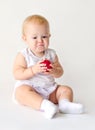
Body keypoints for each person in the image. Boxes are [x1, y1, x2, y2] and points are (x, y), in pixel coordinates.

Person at [13, 14, 84, 119]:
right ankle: (46, 106)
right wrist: (33, 70)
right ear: (25, 38)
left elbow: (60, 72)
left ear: (49, 36)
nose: (40, 41)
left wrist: (54, 70)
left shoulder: (51, 54)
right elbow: (17, 73)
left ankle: (65, 104)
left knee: (66, 90)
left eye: (44, 36)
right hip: (31, 88)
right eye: (34, 37)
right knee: (20, 92)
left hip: (49, 89)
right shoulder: (24, 55)